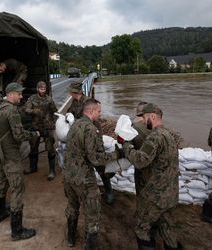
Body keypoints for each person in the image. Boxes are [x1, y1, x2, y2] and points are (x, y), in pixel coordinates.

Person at [120, 103, 181, 250]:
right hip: (170, 193)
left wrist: (127, 145)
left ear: (152, 116)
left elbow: (140, 161)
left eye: (145, 117)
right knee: (167, 226)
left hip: (155, 196)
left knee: (142, 228)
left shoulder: (155, 137)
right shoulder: (168, 135)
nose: (143, 120)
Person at [63, 98, 122, 249]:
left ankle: (70, 238)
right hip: (83, 178)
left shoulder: (75, 124)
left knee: (72, 206)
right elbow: (95, 159)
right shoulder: (90, 129)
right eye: (99, 111)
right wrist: (116, 155)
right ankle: (90, 246)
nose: (100, 114)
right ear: (91, 111)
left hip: (68, 176)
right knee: (93, 213)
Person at [0, 82, 39, 241]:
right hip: (11, 155)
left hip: (1, 153)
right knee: (18, 189)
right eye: (19, 94)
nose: (21, 96)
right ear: (11, 93)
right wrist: (34, 135)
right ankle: (17, 231)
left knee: (1, 181)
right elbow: (19, 135)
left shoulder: (0, 107)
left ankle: (0, 213)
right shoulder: (11, 111)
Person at [65, 80, 114, 205]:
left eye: (71, 91)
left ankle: (108, 190)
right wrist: (68, 116)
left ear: (76, 92)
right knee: (85, 160)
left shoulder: (87, 102)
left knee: (99, 162)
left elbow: (94, 120)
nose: (70, 94)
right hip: (82, 135)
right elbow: (70, 112)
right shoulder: (74, 102)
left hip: (93, 134)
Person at [24, 81, 57, 180]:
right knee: (33, 148)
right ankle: (33, 167)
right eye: (41, 88)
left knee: (50, 148)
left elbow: (54, 110)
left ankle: (52, 171)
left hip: (47, 127)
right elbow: (26, 109)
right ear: (37, 89)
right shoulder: (32, 98)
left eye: (44, 88)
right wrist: (34, 111)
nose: (43, 90)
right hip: (36, 127)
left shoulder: (49, 99)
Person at [131, 101, 151, 196]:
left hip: (141, 165)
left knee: (141, 191)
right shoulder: (154, 125)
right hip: (154, 166)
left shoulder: (133, 127)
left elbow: (128, 147)